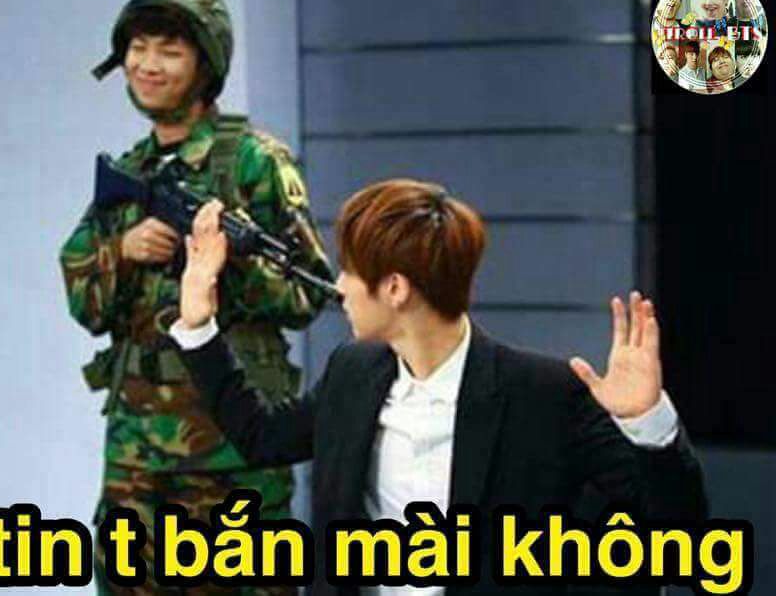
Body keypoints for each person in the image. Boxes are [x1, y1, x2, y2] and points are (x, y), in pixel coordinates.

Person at [172, 180, 707, 595]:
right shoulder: (351, 373)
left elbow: (675, 532)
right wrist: (197, 326)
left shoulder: (542, 393)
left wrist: (647, 423)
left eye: (350, 271)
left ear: (395, 288)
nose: (339, 286)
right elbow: (262, 437)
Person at [59, 0, 332, 595]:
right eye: (138, 48)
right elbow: (83, 299)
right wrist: (124, 252)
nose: (147, 65)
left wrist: (224, 263)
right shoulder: (130, 171)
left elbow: (308, 294)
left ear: (205, 65)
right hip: (136, 455)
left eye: (170, 51)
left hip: (233, 453)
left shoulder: (255, 162)